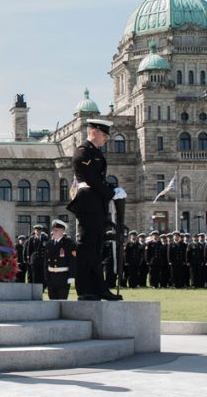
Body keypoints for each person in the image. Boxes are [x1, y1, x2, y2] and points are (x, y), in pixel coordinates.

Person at [68, 117, 121, 301]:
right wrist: (110, 192)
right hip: (88, 203)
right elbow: (91, 179)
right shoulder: (83, 152)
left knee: (97, 247)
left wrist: (112, 190)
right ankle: (84, 289)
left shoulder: (96, 153)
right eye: (104, 134)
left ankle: (99, 288)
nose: (107, 138)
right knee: (86, 246)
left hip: (97, 203)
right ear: (94, 132)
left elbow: (99, 180)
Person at [44, 220, 77, 300]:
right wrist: (46, 275)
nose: (54, 232)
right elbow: (45, 261)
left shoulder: (69, 243)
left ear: (62, 231)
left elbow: (73, 261)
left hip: (63, 276)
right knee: (52, 300)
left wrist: (71, 276)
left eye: (56, 230)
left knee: (62, 300)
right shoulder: (49, 244)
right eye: (53, 230)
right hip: (51, 276)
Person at [25, 224, 48, 290]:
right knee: (35, 276)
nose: (38, 232)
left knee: (42, 276)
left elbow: (46, 249)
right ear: (34, 231)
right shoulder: (32, 239)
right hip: (34, 260)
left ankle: (42, 289)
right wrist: (29, 259)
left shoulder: (44, 238)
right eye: (37, 230)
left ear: (41, 231)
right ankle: (35, 289)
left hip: (42, 259)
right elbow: (29, 250)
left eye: (39, 230)